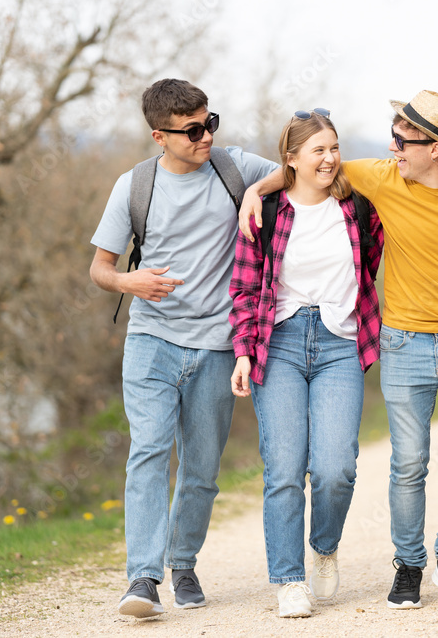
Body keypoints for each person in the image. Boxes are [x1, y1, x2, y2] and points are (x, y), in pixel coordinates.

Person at [238, 90, 438, 610]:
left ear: (435, 148)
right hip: (400, 342)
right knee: (405, 462)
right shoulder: (384, 178)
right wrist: (257, 189)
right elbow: (307, 170)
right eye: (391, 139)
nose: (392, 150)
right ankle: (403, 564)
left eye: (402, 141)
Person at [89, 79, 279, 618]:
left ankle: (184, 562)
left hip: (219, 344)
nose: (205, 136)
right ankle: (143, 579)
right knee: (148, 452)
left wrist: (259, 193)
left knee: (201, 468)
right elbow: (100, 269)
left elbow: (305, 168)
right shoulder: (135, 187)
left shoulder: (233, 167)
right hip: (152, 340)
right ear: (159, 136)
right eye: (192, 130)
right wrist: (132, 283)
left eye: (210, 122)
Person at [229, 109, 383, 618]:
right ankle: (290, 580)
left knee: (336, 468)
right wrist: (244, 353)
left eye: (334, 147)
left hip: (341, 342)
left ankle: (324, 546)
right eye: (318, 150)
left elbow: (380, 256)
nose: (330, 158)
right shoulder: (266, 211)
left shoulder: (360, 206)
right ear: (290, 158)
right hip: (282, 343)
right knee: (285, 467)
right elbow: (246, 288)